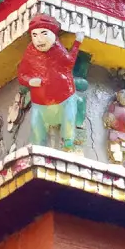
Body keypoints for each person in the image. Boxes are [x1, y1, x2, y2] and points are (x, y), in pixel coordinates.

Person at [16, 14, 84, 151]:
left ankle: (68, 143)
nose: (39, 39)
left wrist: (77, 43)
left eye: (43, 33)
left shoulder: (58, 49)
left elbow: (69, 63)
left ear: (53, 34)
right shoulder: (30, 52)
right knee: (36, 126)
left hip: (64, 97)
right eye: (34, 35)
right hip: (40, 102)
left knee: (69, 118)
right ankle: (37, 148)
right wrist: (30, 81)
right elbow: (21, 75)